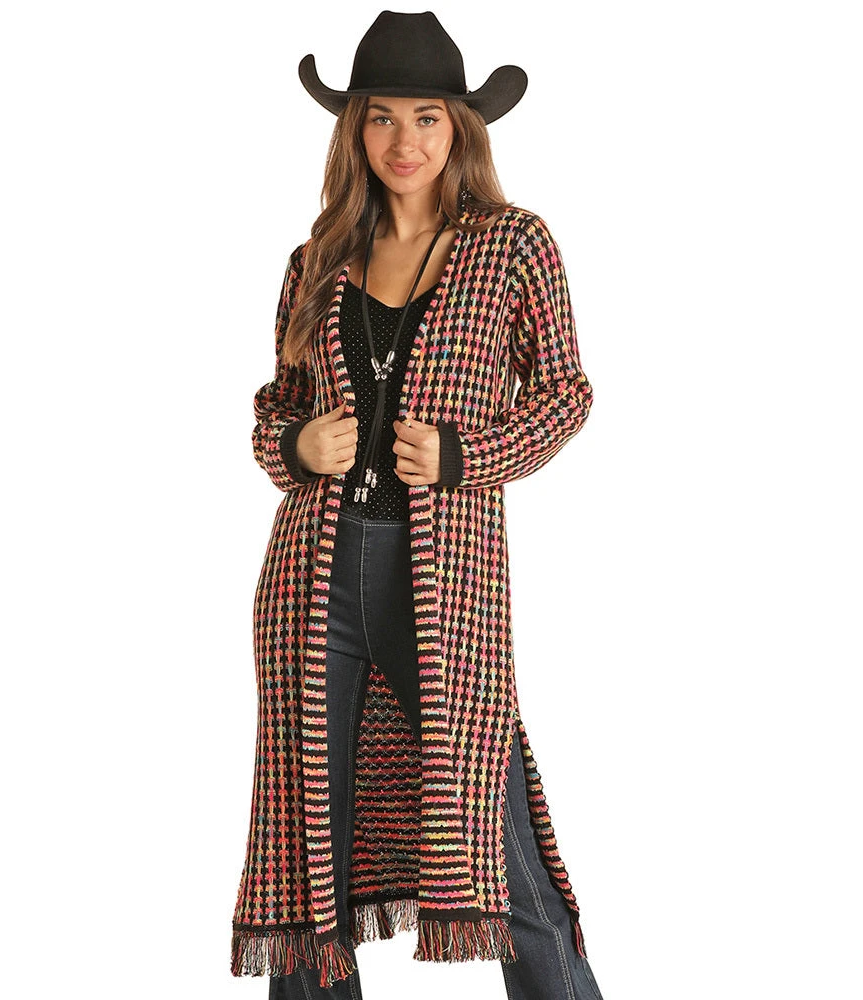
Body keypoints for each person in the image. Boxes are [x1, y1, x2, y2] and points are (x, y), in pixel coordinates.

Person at [231, 11, 604, 1000]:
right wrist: (294, 446)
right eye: (383, 117)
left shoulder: (512, 244)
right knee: (311, 858)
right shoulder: (317, 258)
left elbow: (565, 395)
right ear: (354, 128)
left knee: (499, 848)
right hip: (311, 578)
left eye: (428, 117)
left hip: (446, 581)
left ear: (459, 128)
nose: (406, 141)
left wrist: (464, 453)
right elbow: (274, 408)